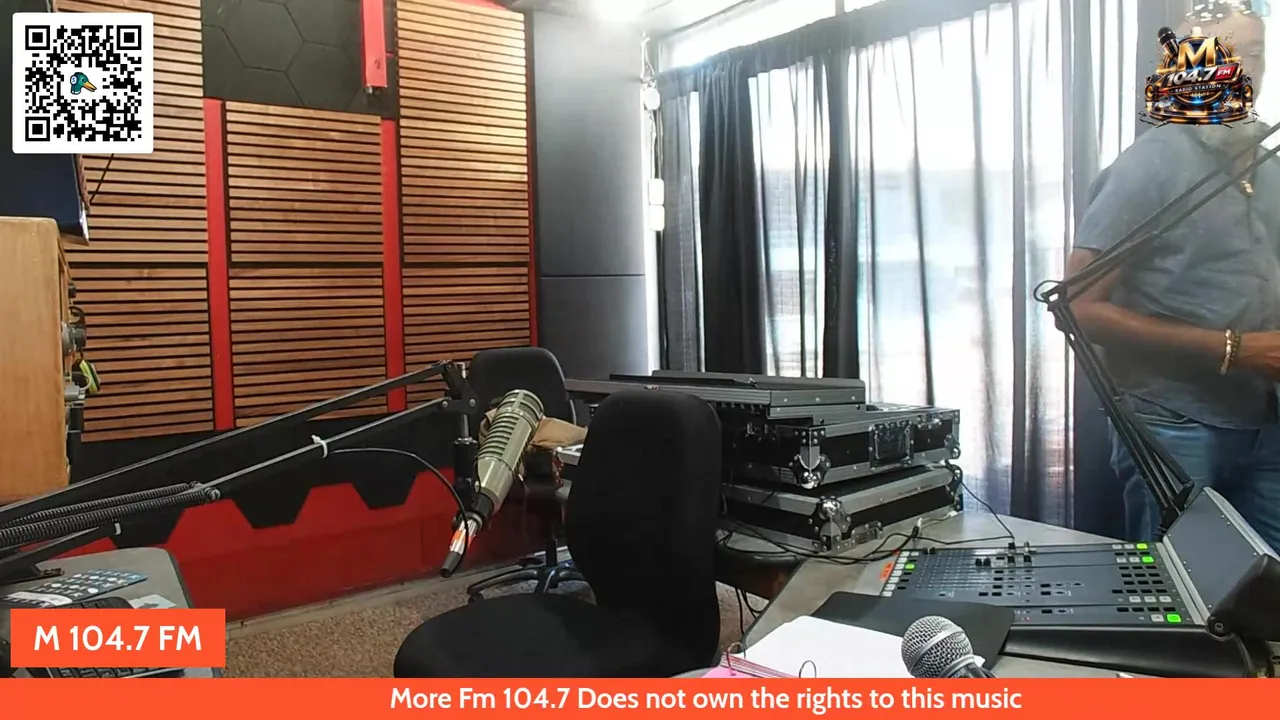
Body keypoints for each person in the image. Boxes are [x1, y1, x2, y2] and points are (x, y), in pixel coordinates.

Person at [1067, 7, 1280, 550]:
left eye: (1254, 53)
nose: (1241, 69)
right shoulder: (1151, 164)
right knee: (1182, 587)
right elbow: (1079, 306)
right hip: (1175, 422)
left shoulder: (1267, 164)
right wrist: (1234, 349)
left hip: (1265, 420)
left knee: (1269, 586)